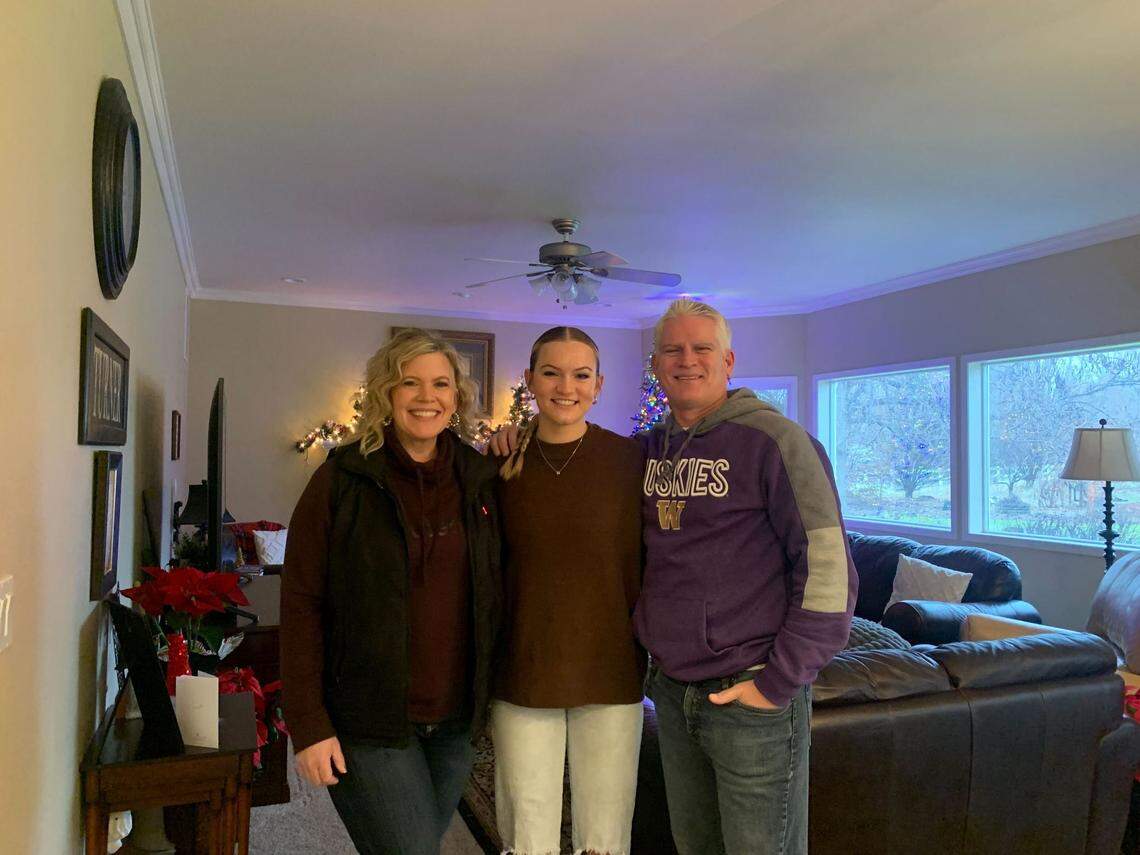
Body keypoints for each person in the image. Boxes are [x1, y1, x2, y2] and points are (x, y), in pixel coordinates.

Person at [637, 299, 857, 855]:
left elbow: (828, 566)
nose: (687, 360)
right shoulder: (647, 450)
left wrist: (777, 682)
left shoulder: (777, 442)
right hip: (672, 688)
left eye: (701, 348)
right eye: (673, 350)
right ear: (656, 364)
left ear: (728, 360)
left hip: (750, 693)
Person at [280, 328, 502, 855]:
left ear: (457, 396)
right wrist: (308, 723)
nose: (427, 397)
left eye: (441, 384)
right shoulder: (342, 480)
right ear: (386, 393)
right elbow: (301, 603)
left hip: (456, 721)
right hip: (369, 719)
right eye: (410, 383)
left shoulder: (481, 479)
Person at [492, 326, 645, 855]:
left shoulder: (632, 462)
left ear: (599, 385)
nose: (566, 386)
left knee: (604, 834)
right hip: (523, 666)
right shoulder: (499, 463)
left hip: (611, 667)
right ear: (530, 380)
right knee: (527, 829)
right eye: (551, 372)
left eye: (581, 375)